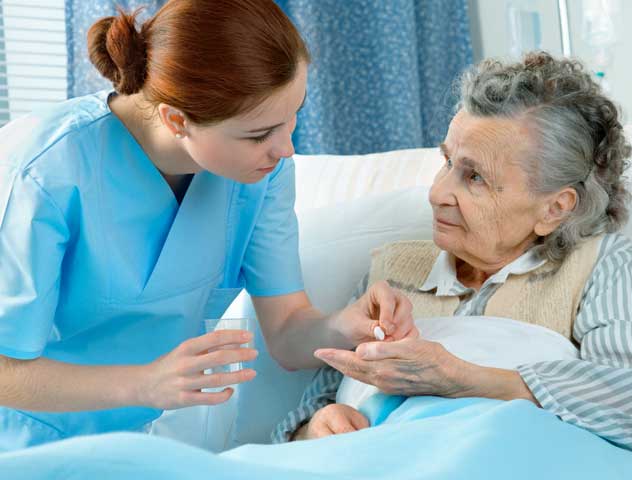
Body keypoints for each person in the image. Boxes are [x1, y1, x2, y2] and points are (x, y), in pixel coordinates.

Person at [0, 0, 414, 451]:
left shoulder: (262, 175)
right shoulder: (42, 172)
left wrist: (342, 327)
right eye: (259, 134)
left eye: (292, 115)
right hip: (25, 446)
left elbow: (288, 332)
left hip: (145, 445)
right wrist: (146, 383)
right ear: (177, 120)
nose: (286, 148)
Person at [274, 52, 632, 461]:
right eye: (447, 161)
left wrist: (459, 378)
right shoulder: (390, 271)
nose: (437, 193)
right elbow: (302, 420)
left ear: (554, 208)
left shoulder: (598, 264)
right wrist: (317, 429)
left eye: (474, 177)